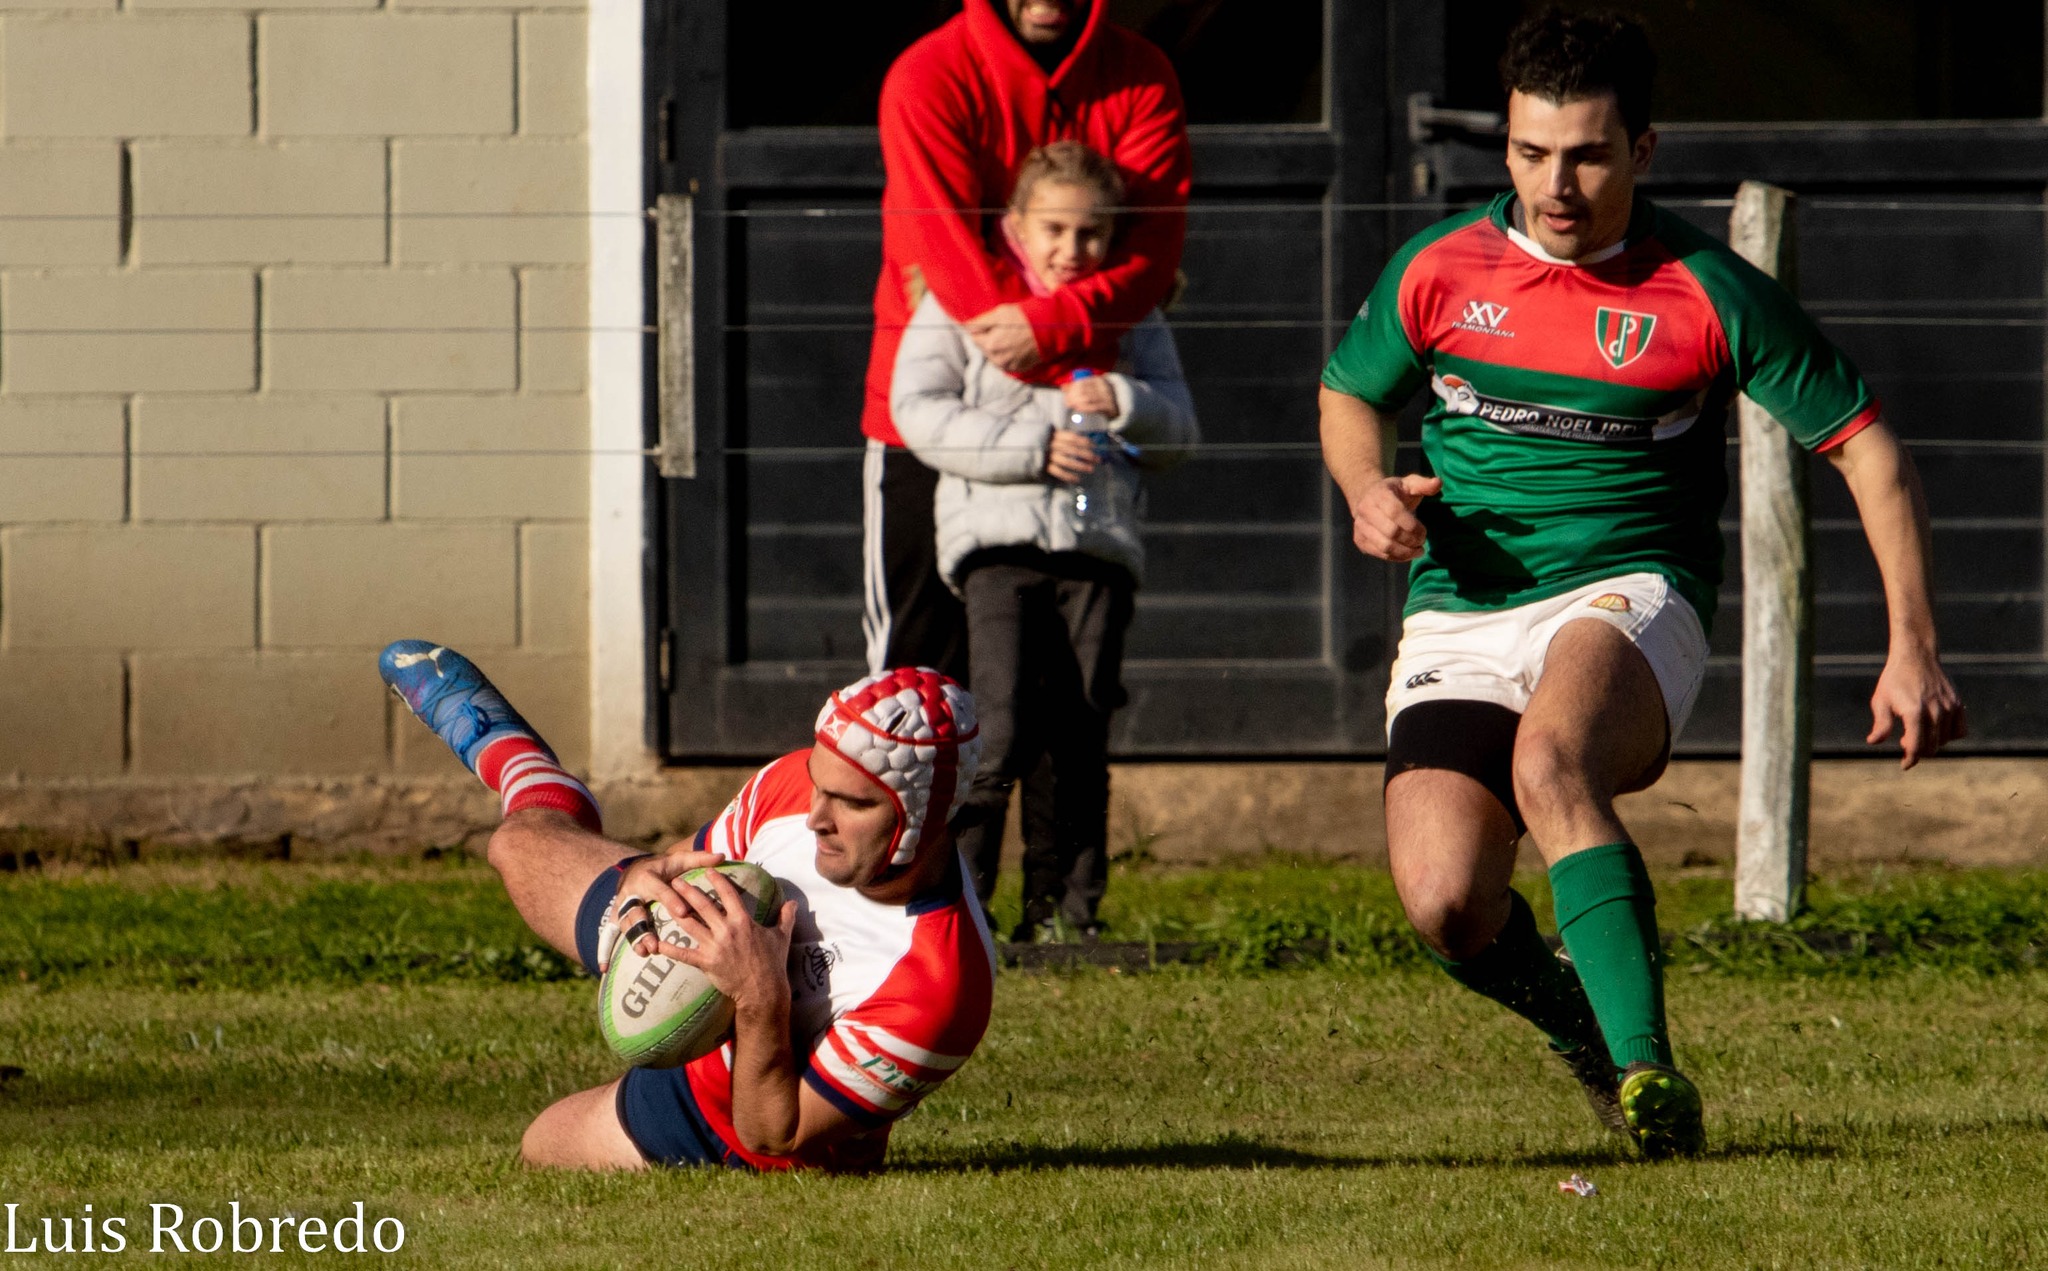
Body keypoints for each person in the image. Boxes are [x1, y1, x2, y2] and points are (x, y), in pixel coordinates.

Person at [1317, 9, 1965, 1158]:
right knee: (1443, 902)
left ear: (1643, 149)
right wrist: (1367, 488)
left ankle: (1647, 1075)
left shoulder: (1703, 288)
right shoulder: (1438, 270)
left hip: (1628, 591)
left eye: (1584, 154)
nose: (1552, 184)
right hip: (1461, 613)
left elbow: (1867, 447)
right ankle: (1583, 1029)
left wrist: (1909, 644)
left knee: (1549, 760)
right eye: (1527, 153)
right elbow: (1346, 393)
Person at [378, 641, 995, 1173]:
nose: (815, 819)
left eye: (853, 805)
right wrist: (644, 883)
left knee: (540, 1144)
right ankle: (530, 771)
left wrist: (759, 994)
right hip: (683, 967)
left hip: (727, 1120)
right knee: (516, 845)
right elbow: (687, 860)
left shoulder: (942, 984)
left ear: (926, 819)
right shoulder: (789, 788)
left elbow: (773, 1133)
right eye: (818, 783)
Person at [893, 142, 1198, 941]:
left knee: (1083, 724)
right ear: (1014, 229)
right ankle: (965, 906)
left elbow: (1180, 429)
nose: (1072, 249)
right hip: (997, 548)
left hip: (1098, 550)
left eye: (1091, 234)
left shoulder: (1130, 317)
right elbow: (918, 410)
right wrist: (1032, 449)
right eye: (1054, 229)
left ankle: (1066, 912)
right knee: (1000, 724)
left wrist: (1126, 398)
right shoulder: (964, 302)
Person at [861, 0, 1191, 681]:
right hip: (939, 407)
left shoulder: (1142, 76)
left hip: (1081, 431)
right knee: (918, 675)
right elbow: (943, 247)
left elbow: (1151, 250)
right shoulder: (929, 75)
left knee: (1063, 687)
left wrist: (1047, 328)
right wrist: (1036, 337)